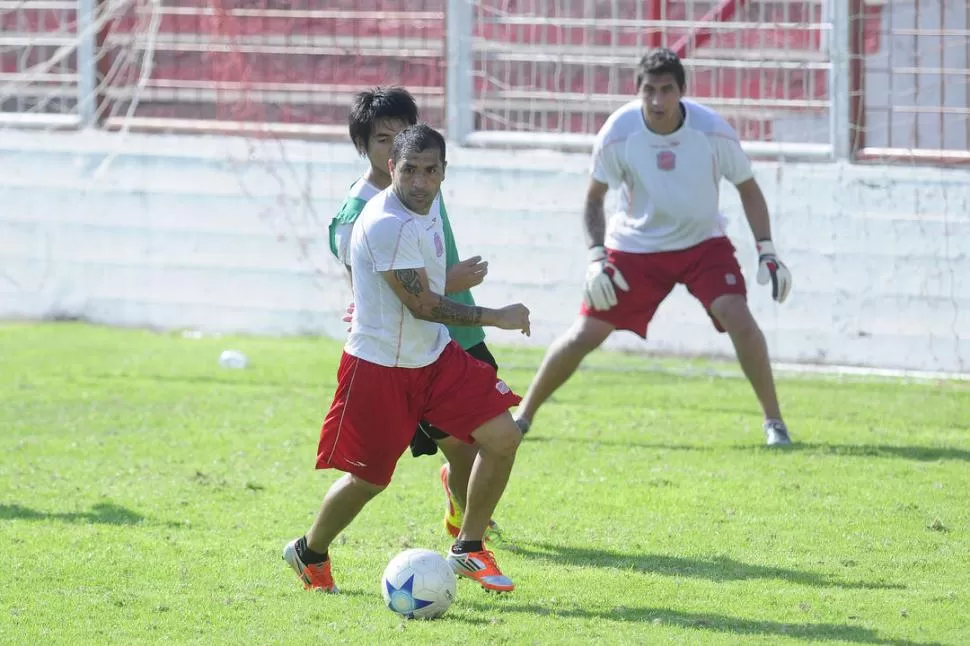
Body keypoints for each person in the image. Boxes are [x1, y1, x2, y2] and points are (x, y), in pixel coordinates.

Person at [284, 124, 530, 594]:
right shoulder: (384, 222)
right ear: (391, 167)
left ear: (443, 171)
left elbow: (427, 285)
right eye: (410, 170)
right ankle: (309, 551)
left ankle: (469, 546)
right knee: (369, 481)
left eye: (431, 171)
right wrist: (495, 315)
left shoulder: (430, 202)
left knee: (502, 436)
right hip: (379, 368)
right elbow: (421, 302)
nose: (420, 181)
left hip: (434, 358)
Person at [513, 48, 794, 447]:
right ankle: (523, 417)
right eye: (650, 91)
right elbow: (594, 199)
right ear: (638, 91)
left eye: (667, 90)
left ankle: (775, 423)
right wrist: (596, 256)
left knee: (739, 317)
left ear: (682, 91)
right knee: (585, 334)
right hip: (636, 247)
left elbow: (747, 186)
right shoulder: (619, 131)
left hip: (702, 243)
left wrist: (767, 249)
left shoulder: (712, 130)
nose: (658, 100)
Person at [328, 86, 501, 540]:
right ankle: (469, 531)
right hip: (402, 352)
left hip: (453, 335)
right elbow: (380, 290)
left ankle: (469, 526)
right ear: (366, 147)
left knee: (486, 439)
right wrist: (453, 282)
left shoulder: (421, 183)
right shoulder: (361, 212)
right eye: (385, 140)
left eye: (406, 134)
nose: (402, 148)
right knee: (395, 469)